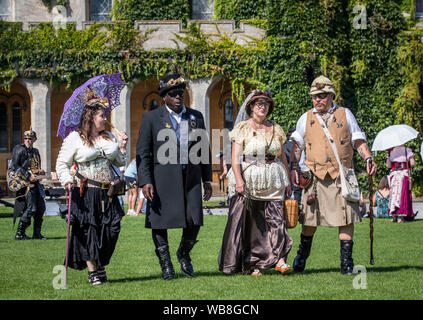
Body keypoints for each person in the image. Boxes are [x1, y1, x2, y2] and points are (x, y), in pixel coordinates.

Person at [290, 75, 377, 275]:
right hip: (315, 176)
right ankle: (301, 257)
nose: (317, 100)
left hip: (341, 177)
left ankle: (346, 264)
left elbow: (358, 140)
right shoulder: (306, 118)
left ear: (331, 96)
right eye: (314, 96)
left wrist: (368, 158)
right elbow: (297, 145)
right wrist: (294, 167)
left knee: (346, 219)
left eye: (321, 96)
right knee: (309, 221)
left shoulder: (346, 114)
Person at [137, 74, 212, 280]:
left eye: (181, 93)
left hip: (192, 176)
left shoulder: (196, 116)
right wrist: (145, 181)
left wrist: (207, 179)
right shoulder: (151, 118)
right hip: (162, 178)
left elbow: (203, 149)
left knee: (194, 219)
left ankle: (184, 254)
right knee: (159, 221)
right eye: (173, 94)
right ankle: (166, 264)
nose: (179, 97)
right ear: (164, 97)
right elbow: (143, 153)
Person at [219, 89, 293, 276]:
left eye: (266, 104)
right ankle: (253, 263)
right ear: (251, 106)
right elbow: (235, 158)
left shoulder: (276, 128)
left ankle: (280, 259)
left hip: (274, 178)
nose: (262, 106)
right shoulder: (243, 128)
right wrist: (239, 180)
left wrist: (289, 179)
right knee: (253, 223)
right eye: (259, 103)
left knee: (277, 220)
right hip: (250, 178)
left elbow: (282, 156)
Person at [56, 100, 128, 286]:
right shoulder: (75, 138)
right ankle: (93, 270)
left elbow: (120, 162)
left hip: (108, 192)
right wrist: (67, 180)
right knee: (88, 231)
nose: (105, 118)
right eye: (101, 116)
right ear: (91, 118)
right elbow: (62, 163)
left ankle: (100, 262)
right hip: (86, 191)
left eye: (104, 115)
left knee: (113, 228)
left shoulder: (109, 136)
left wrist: (121, 146)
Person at [12, 129, 47, 240]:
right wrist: (28, 175)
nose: (28, 140)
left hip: (36, 183)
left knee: (41, 208)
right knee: (31, 209)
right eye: (26, 138)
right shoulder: (19, 149)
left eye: (30, 139)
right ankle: (19, 234)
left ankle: (37, 234)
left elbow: (36, 167)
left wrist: (40, 171)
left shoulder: (35, 151)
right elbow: (15, 166)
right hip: (25, 184)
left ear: (34, 139)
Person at [386, 145, 415, 223]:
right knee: (402, 194)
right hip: (404, 174)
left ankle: (394, 216)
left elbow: (388, 165)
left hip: (394, 174)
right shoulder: (407, 150)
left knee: (394, 194)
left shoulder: (390, 152)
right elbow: (412, 164)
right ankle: (401, 217)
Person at [284, 127, 303, 204]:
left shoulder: (284, 145)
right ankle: (296, 210)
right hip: (297, 171)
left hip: (287, 172)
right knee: (297, 192)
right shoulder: (298, 145)